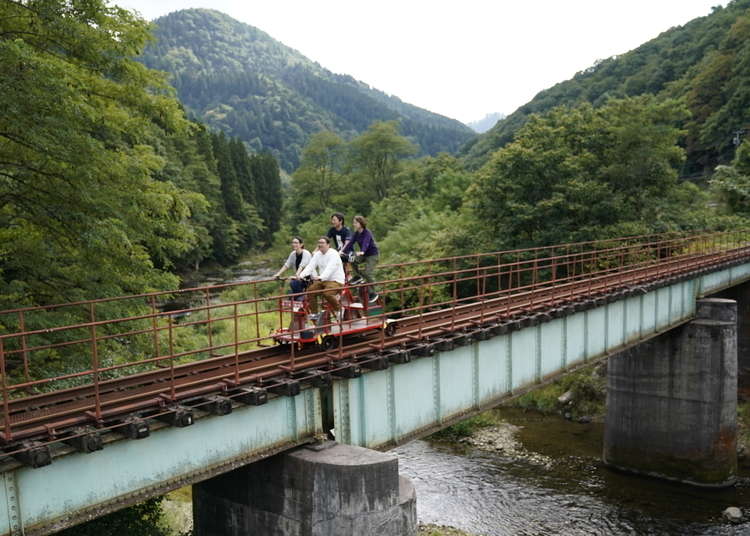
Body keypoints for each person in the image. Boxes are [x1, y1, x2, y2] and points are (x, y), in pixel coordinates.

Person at [297, 236, 345, 321]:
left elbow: (330, 268)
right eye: (319, 243)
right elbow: (310, 266)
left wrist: (321, 277)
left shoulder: (333, 254)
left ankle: (339, 309)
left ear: (328, 245)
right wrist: (301, 276)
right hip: (323, 280)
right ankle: (314, 314)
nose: (320, 244)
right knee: (311, 290)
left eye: (322, 243)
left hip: (336, 280)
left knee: (327, 293)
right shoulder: (318, 254)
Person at [342, 215, 379, 303]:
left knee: (367, 272)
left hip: (372, 255)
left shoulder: (367, 233)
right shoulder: (356, 233)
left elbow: (366, 243)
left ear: (361, 223)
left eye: (355, 223)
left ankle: (374, 292)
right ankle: (358, 276)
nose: (353, 224)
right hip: (363, 254)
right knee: (352, 259)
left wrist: (362, 251)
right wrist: (343, 252)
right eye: (353, 223)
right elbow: (350, 243)